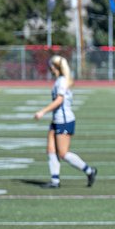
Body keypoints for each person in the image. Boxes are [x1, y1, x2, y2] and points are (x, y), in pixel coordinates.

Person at [33, 55, 97, 189]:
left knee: (63, 153)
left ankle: (89, 171)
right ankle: (55, 180)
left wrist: (42, 111)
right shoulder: (60, 80)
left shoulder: (62, 81)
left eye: (51, 65)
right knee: (51, 149)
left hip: (64, 121)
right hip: (57, 120)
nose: (49, 67)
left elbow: (59, 100)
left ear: (55, 67)